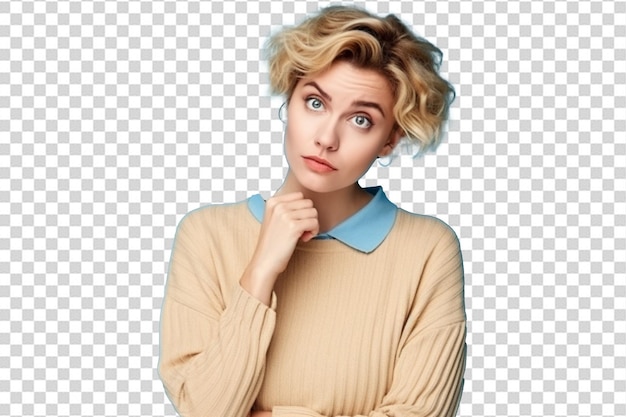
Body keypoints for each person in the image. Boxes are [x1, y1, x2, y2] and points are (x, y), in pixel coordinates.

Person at [158, 5, 466, 417]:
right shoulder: (207, 235)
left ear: (390, 139)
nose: (326, 138)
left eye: (360, 119)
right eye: (316, 103)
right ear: (290, 98)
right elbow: (203, 410)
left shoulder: (426, 250)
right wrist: (261, 270)